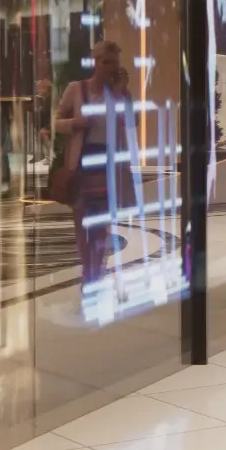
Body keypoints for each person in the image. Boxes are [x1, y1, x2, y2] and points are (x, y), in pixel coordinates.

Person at [54, 40, 135, 286]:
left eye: (115, 64)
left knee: (100, 223)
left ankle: (94, 272)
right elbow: (55, 122)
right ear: (96, 63)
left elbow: (131, 123)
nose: (110, 68)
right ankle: (87, 267)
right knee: (81, 219)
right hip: (82, 161)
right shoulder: (76, 89)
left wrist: (121, 93)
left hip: (107, 163)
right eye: (106, 62)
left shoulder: (119, 93)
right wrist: (75, 123)